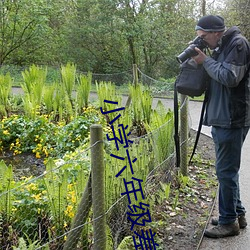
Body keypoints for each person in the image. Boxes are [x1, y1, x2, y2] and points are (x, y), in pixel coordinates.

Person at [192, 15, 250, 238]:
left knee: (225, 171)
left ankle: (228, 223)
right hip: (222, 117)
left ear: (216, 32)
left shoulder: (238, 44)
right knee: (227, 171)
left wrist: (205, 61)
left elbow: (229, 77)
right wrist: (202, 60)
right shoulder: (221, 46)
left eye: (204, 37)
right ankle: (237, 214)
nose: (203, 41)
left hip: (232, 118)